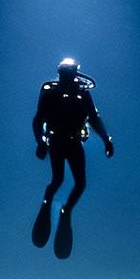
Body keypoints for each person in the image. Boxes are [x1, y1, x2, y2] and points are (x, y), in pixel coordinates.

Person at [30, 57, 113, 259]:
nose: (67, 78)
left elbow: (94, 118)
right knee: (58, 179)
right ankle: (49, 201)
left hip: (73, 142)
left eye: (69, 74)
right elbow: (38, 119)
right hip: (57, 141)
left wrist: (106, 139)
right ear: (60, 74)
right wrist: (40, 142)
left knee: (80, 183)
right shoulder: (50, 92)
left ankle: (65, 210)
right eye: (64, 74)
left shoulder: (83, 94)